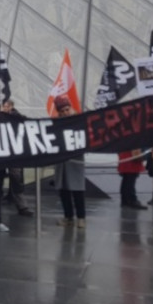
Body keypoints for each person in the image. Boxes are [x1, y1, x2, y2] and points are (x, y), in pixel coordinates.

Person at [53, 96, 86, 229]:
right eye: (63, 111)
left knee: (77, 190)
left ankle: (81, 217)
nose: (66, 112)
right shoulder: (57, 123)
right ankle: (68, 217)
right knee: (63, 190)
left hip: (75, 159)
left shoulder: (78, 121)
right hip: (61, 161)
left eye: (67, 109)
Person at [1, 100, 33, 217]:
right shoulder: (10, 117)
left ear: (11, 107)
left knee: (16, 179)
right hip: (8, 152)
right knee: (14, 179)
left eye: (6, 106)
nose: (4, 108)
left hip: (12, 153)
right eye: (3, 106)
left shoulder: (16, 118)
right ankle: (21, 206)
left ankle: (22, 206)